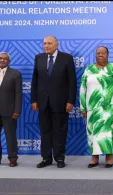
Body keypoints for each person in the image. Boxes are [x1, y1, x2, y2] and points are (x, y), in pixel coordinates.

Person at [31, 36, 77, 168]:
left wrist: (70, 101)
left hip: (61, 102)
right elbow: (35, 80)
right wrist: (34, 99)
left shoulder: (66, 58)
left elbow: (72, 82)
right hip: (43, 102)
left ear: (56, 44)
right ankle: (46, 158)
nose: (46, 46)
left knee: (60, 131)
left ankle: (59, 158)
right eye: (44, 43)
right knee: (45, 131)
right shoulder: (39, 58)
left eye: (49, 43)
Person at [80, 46, 113, 168]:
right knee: (93, 132)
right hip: (93, 107)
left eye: (103, 53)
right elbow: (83, 89)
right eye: (98, 53)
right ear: (95, 55)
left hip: (110, 106)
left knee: (109, 131)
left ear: (108, 55)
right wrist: (83, 107)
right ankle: (94, 158)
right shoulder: (88, 70)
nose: (100, 55)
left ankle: (109, 157)